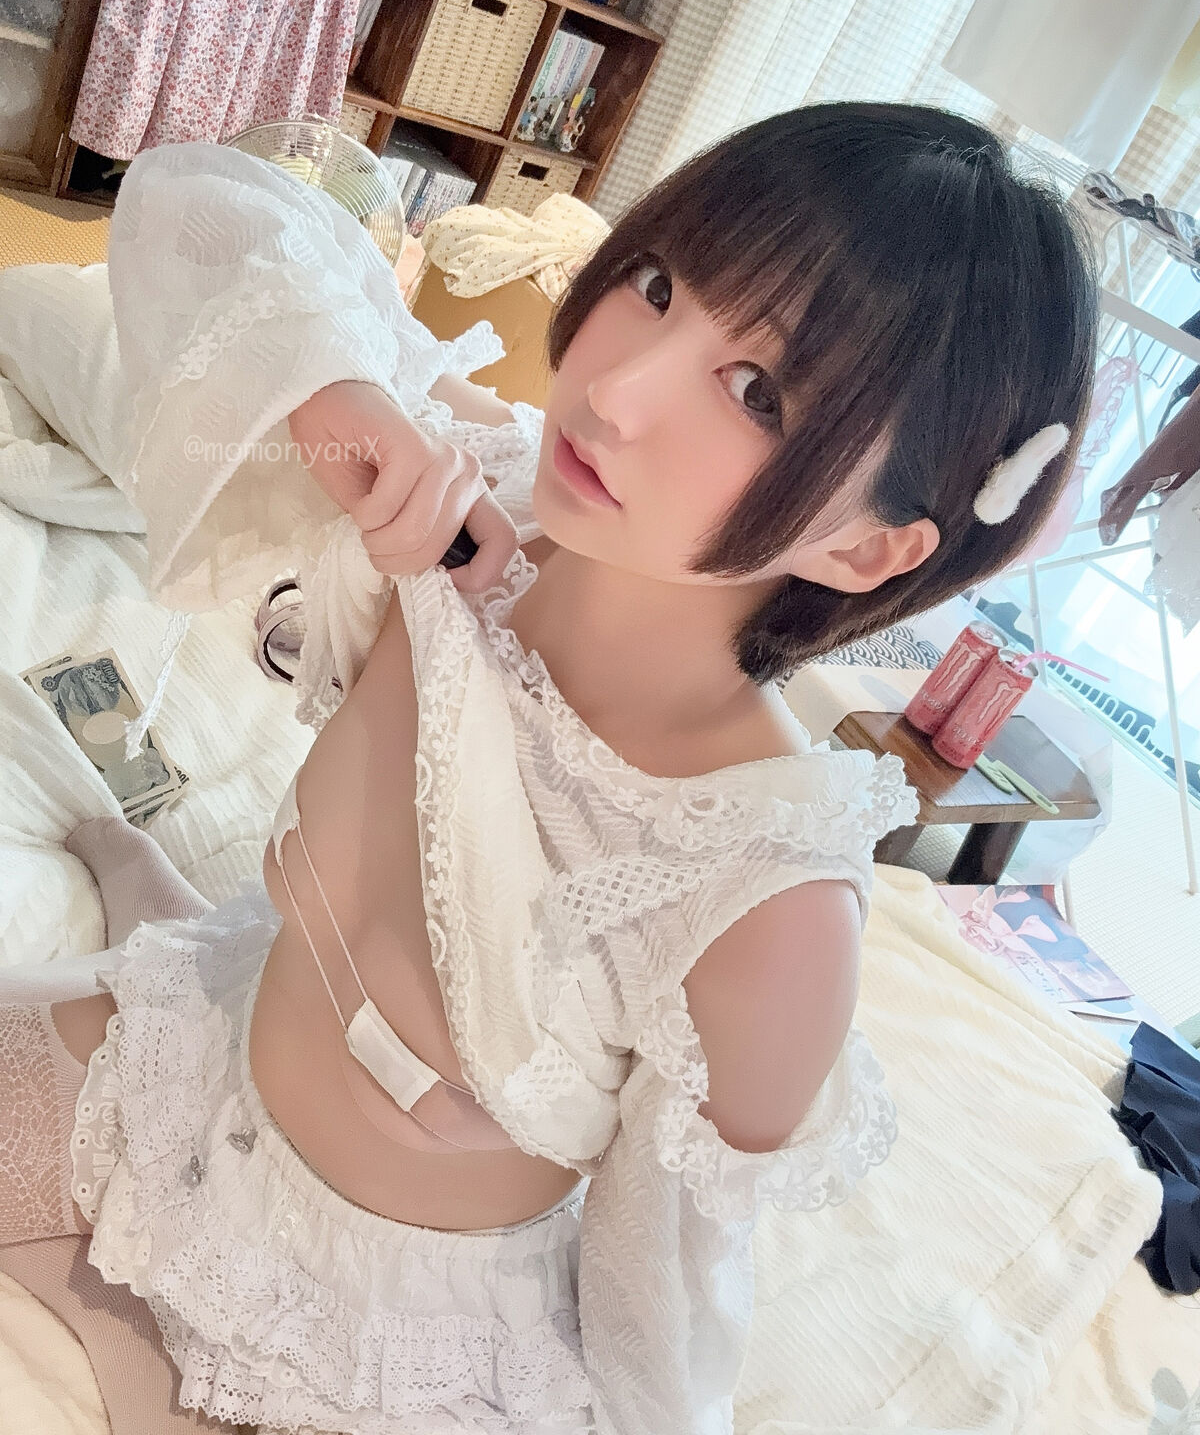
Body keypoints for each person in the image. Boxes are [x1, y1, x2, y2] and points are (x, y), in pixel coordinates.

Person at [0, 101, 1098, 1435]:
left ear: (865, 550)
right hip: (191, 1065)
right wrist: (336, 394)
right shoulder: (479, 506)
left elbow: (662, 1313)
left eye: (758, 392)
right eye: (659, 283)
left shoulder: (764, 905)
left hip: (360, 1328)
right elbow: (194, 205)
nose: (615, 389)